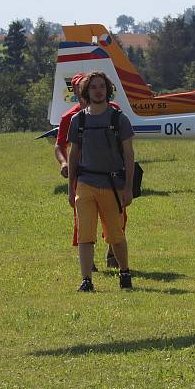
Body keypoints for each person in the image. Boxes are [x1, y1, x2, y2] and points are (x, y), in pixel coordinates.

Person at [67, 71, 135, 292]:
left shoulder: (118, 119)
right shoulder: (78, 120)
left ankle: (124, 272)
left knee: (115, 235)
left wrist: (128, 188)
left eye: (102, 87)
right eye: (94, 87)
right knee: (85, 235)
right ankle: (86, 280)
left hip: (112, 185)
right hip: (85, 184)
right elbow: (73, 155)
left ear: (108, 90)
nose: (98, 90)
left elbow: (129, 155)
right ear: (86, 92)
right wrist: (71, 188)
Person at [55, 72, 121, 269]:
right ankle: (88, 264)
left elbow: (125, 145)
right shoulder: (71, 118)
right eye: (77, 87)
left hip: (110, 175)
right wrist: (64, 163)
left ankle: (113, 253)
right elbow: (60, 145)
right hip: (83, 175)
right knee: (83, 221)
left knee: (117, 216)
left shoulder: (114, 111)